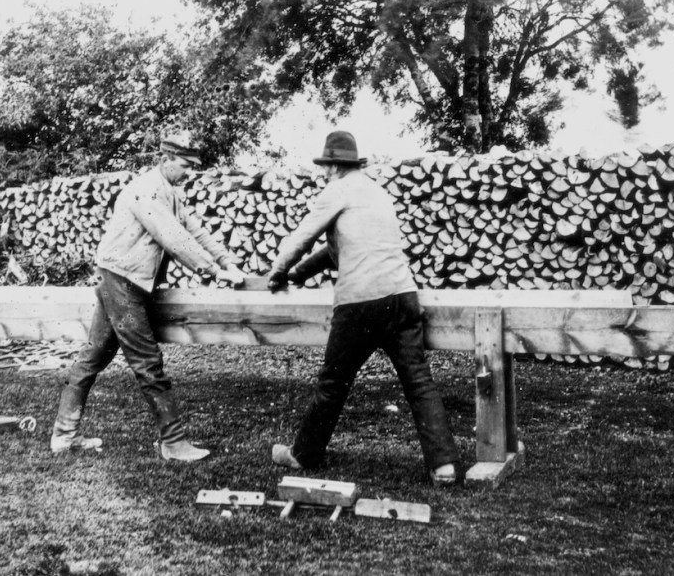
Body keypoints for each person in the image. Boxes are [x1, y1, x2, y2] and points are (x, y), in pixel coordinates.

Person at [266, 131, 458, 485]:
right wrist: (299, 273)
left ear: (336, 166)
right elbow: (339, 248)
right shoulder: (376, 193)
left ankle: (303, 455)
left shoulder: (335, 191)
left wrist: (277, 272)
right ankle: (444, 466)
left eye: (326, 167)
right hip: (403, 297)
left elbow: (302, 237)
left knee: (333, 382)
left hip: (361, 304)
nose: (324, 173)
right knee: (418, 381)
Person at [50, 134, 245, 461]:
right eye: (184, 165)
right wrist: (212, 271)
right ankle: (173, 442)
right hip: (122, 282)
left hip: (126, 282)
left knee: (93, 358)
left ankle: (63, 437)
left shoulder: (169, 191)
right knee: (147, 362)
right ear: (165, 158)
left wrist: (227, 261)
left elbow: (194, 230)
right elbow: (172, 237)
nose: (187, 173)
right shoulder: (146, 190)